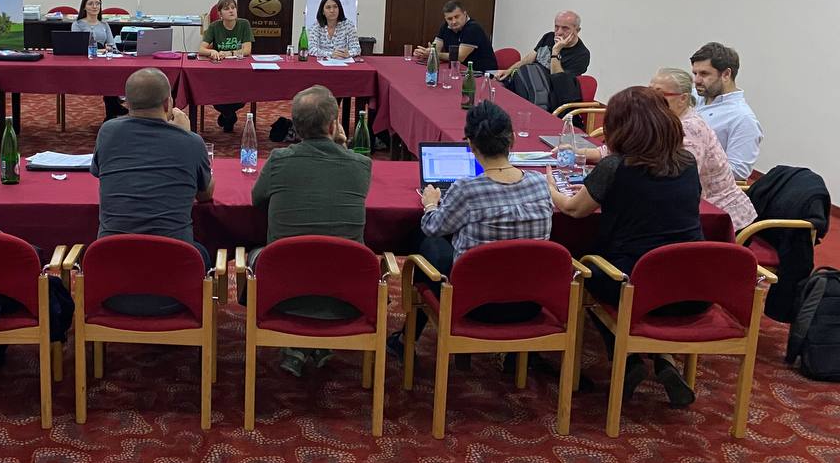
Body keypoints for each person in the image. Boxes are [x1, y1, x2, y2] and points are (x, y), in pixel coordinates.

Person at [548, 86, 704, 408]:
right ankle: (664, 360)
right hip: (692, 288)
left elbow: (574, 210)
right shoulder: (687, 162)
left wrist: (549, 185)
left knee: (585, 270)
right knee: (652, 282)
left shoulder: (615, 166)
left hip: (631, 283)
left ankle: (628, 359)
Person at [398, 101, 553, 354]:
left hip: (474, 305)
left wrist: (430, 204)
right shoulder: (540, 183)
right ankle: (519, 357)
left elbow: (432, 227)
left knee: (426, 239)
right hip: (530, 302)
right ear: (513, 139)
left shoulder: (467, 190)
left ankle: (406, 340)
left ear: (471, 145)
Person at [250, 85, 371, 375]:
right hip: (347, 296)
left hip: (282, 295)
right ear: (333, 125)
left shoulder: (279, 161)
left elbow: (257, 200)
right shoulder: (361, 165)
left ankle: (297, 346)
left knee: (256, 255)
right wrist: (341, 146)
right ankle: (317, 343)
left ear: (295, 127)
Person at [579, 68, 756, 230]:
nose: (650, 100)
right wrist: (582, 153)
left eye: (659, 95)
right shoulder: (663, 121)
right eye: (649, 93)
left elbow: (675, 183)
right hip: (687, 214)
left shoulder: (690, 129)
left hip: (720, 219)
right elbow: (630, 148)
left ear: (683, 99)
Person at [91, 67, 213, 262]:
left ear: (126, 103)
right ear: (167, 104)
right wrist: (186, 134)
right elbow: (205, 195)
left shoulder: (107, 132)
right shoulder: (191, 142)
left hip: (112, 258)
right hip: (173, 259)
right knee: (204, 254)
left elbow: (100, 172)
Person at [691, 42, 761, 180]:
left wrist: (689, 164)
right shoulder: (691, 97)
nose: (696, 80)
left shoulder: (742, 118)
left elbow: (738, 171)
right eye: (695, 73)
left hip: (704, 187)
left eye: (704, 74)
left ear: (726, 74)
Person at [199, 0, 254, 132]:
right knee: (217, 93)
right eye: (226, 9)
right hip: (220, 70)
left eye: (233, 8)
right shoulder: (214, 26)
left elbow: (247, 50)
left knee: (240, 93)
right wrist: (212, 52)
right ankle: (229, 115)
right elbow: (201, 49)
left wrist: (229, 53)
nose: (231, 11)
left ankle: (227, 115)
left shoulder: (244, 24)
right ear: (220, 14)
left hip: (240, 70)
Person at [72, 0, 126, 120]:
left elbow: (112, 45)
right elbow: (77, 47)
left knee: (112, 72)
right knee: (107, 75)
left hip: (104, 61)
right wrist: (99, 50)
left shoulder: (104, 25)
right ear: (84, 7)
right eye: (91, 3)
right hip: (86, 62)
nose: (95, 6)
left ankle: (112, 111)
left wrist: (108, 49)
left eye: (97, 3)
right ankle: (113, 108)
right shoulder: (77, 24)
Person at [497, 10, 590, 80]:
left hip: (547, 94)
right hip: (530, 81)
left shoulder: (582, 55)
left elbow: (560, 81)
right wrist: (509, 71)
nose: (559, 32)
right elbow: (529, 58)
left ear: (577, 30)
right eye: (556, 27)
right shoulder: (549, 37)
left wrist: (556, 51)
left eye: (565, 28)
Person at [414, 0, 498, 72]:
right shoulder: (445, 26)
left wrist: (434, 54)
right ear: (445, 18)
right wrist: (425, 52)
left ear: (465, 14)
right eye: (449, 19)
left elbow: (459, 57)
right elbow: (436, 47)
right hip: (460, 70)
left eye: (457, 17)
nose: (453, 21)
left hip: (482, 73)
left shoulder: (473, 28)